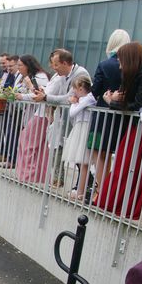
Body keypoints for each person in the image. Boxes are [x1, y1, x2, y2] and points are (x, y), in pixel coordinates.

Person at [96, 42, 142, 220]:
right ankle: (113, 200)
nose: (119, 63)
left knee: (131, 166)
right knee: (124, 165)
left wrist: (112, 102)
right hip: (135, 125)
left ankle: (124, 203)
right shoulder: (133, 73)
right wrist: (115, 100)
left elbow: (138, 105)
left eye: (121, 59)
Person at [32, 49, 90, 185]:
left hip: (78, 120)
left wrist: (46, 97)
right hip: (66, 119)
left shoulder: (80, 73)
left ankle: (86, 184)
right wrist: (44, 94)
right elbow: (64, 97)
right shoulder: (64, 75)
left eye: (55, 64)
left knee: (78, 155)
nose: (53, 68)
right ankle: (73, 183)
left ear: (65, 63)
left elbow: (68, 98)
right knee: (67, 151)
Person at [89, 29, 131, 200]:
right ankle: (110, 192)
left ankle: (100, 191)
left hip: (103, 115)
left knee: (99, 154)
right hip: (122, 116)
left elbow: (95, 90)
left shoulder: (105, 64)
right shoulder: (131, 65)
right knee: (116, 154)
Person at [13, 54, 51, 180]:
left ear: (27, 65)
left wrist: (23, 95)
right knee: (38, 145)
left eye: (20, 65)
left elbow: (40, 94)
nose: (18, 68)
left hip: (42, 114)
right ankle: (35, 175)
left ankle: (28, 174)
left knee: (27, 141)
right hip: (38, 113)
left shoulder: (40, 77)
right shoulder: (31, 76)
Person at [62, 76, 97, 199]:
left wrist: (73, 103)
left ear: (81, 88)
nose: (74, 92)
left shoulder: (88, 99)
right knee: (81, 162)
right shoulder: (84, 99)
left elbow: (72, 113)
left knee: (83, 162)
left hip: (84, 129)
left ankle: (81, 191)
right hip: (80, 128)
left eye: (75, 89)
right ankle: (81, 189)